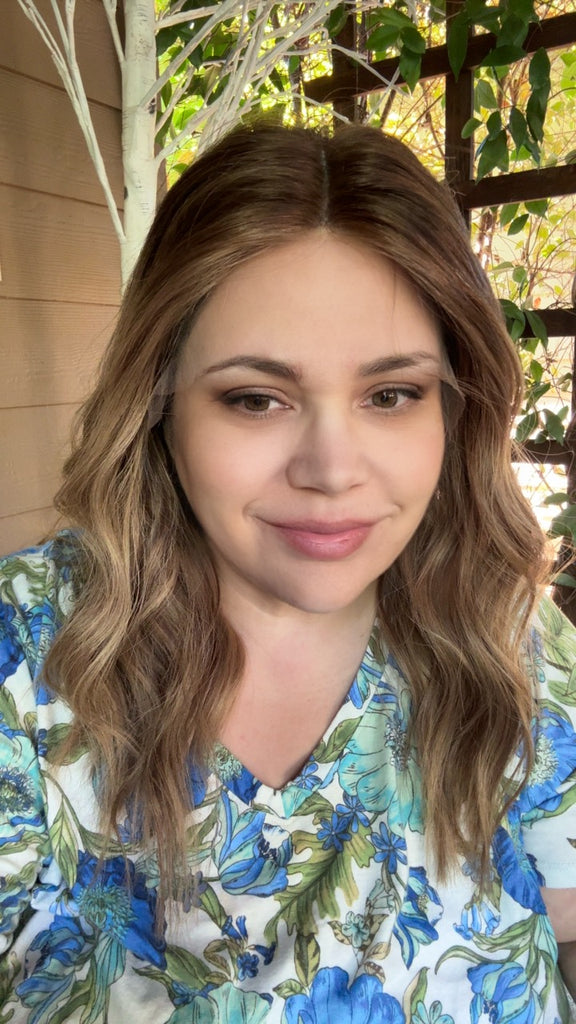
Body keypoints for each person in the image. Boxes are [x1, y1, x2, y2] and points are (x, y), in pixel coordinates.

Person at [0, 123, 575, 1024]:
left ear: (453, 407)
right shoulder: (26, 649)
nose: (332, 471)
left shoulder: (510, 635)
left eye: (392, 394)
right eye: (256, 398)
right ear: (158, 400)